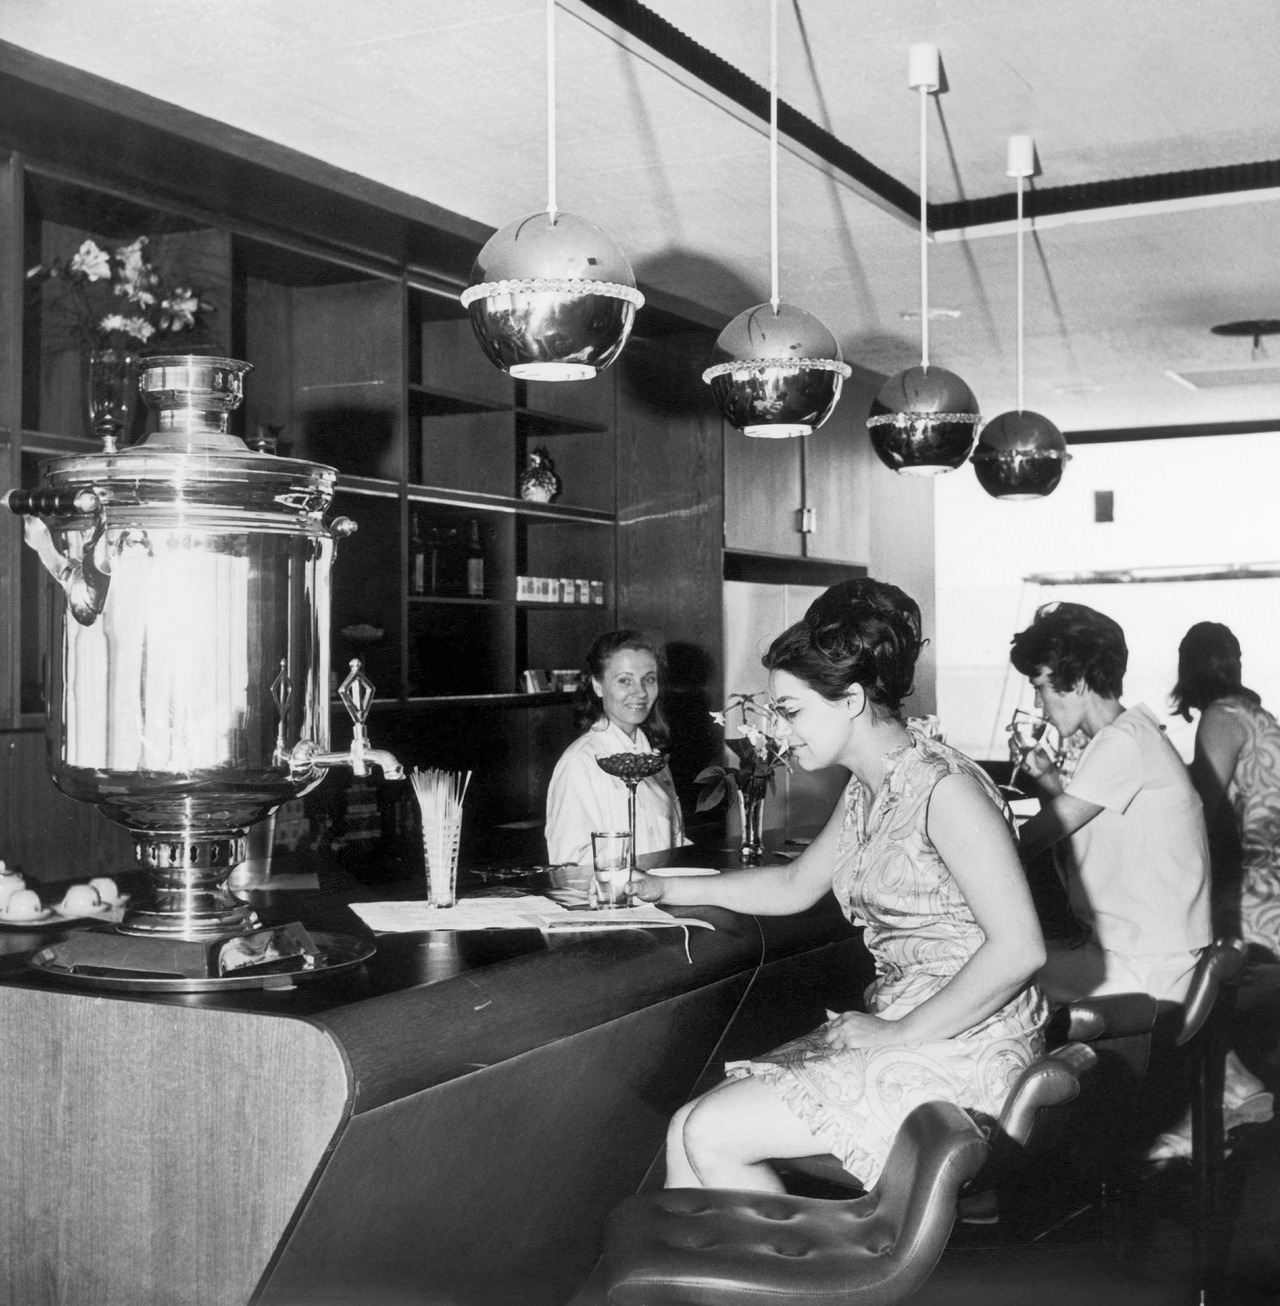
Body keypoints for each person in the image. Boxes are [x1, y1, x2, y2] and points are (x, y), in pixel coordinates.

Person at [629, 579, 1048, 1193]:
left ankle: (793, 1285)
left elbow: (1020, 950)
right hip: (914, 1027)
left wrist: (900, 1033)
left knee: (709, 1131)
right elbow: (796, 885)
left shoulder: (945, 789)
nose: (783, 730)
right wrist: (660, 889)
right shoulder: (871, 787)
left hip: (967, 1042)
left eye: (793, 711)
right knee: (685, 1126)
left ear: (850, 699)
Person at [1009, 602, 1212, 1007]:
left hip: (1146, 968)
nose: (1038, 706)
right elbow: (1086, 819)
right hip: (1142, 953)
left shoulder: (1123, 743)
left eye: (1040, 687)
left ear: (1078, 680)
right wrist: (1049, 781)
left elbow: (1034, 840)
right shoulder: (1130, 734)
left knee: (990, 980)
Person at [1172, 621, 1280, 959]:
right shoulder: (1253, 714)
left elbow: (1199, 810)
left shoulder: (1221, 717)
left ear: (1187, 669)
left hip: (1251, 898)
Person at [544, 629, 687, 866]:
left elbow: (673, 842)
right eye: (624, 680)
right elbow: (568, 864)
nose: (640, 692)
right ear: (598, 686)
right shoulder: (580, 762)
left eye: (649, 679)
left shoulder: (653, 758)